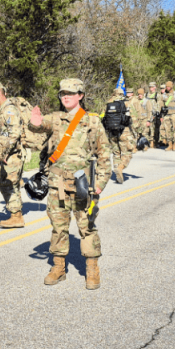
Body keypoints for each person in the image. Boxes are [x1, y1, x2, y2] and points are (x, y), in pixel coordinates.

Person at [27, 78, 111, 289]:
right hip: (57, 185)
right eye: (63, 93)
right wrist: (33, 122)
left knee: (87, 227)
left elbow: (104, 154)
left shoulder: (92, 121)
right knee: (58, 227)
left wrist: (100, 183)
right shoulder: (55, 118)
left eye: (71, 93)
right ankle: (58, 268)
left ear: (80, 95)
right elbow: (39, 126)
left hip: (84, 185)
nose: (65, 96)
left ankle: (92, 270)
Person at [0, 82, 26, 227]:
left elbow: (14, 135)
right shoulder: (0, 110)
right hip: (5, 154)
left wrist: (4, 153)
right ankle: (15, 213)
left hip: (11, 155)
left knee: (9, 184)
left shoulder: (9, 110)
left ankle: (17, 217)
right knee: (5, 183)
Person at [103, 87, 133, 183]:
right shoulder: (126, 102)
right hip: (124, 131)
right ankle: (120, 168)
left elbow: (103, 117)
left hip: (111, 132)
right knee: (127, 152)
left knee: (116, 153)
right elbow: (134, 117)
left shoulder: (108, 103)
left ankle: (116, 172)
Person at [158, 81, 175, 151]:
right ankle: (170, 145)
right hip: (166, 115)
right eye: (166, 86)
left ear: (171, 87)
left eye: (168, 86)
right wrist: (161, 115)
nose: (167, 88)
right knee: (167, 130)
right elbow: (160, 105)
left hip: (174, 114)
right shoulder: (163, 95)